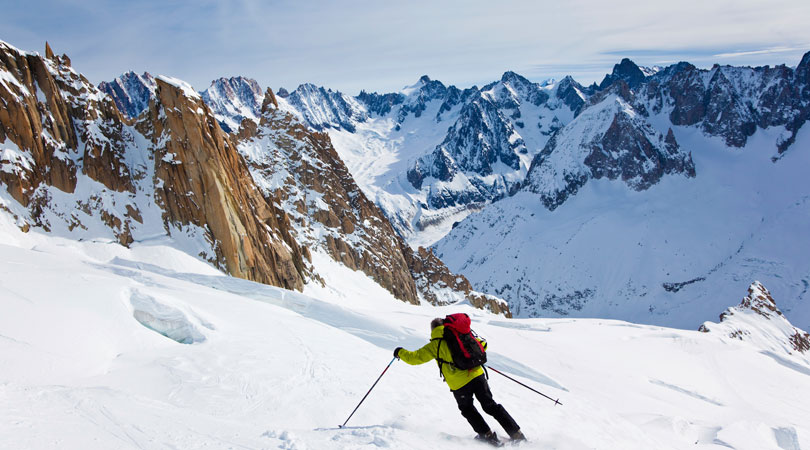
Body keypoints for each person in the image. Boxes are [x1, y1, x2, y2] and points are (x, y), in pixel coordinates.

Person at [394, 317, 526, 446]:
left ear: (433, 330)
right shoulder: (462, 335)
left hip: (460, 385)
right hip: (477, 375)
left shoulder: (435, 345)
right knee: (490, 405)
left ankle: (487, 436)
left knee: (468, 409)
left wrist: (400, 352)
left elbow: (415, 358)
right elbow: (483, 345)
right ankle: (516, 434)